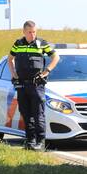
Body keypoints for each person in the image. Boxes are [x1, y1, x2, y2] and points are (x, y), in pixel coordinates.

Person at [8, 20, 59, 150]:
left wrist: (46, 72)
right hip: (22, 85)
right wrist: (14, 73)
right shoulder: (18, 44)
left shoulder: (41, 43)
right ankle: (30, 141)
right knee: (26, 114)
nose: (32, 35)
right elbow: (10, 59)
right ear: (24, 32)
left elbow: (56, 57)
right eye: (30, 32)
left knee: (38, 114)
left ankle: (40, 142)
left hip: (36, 85)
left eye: (34, 32)